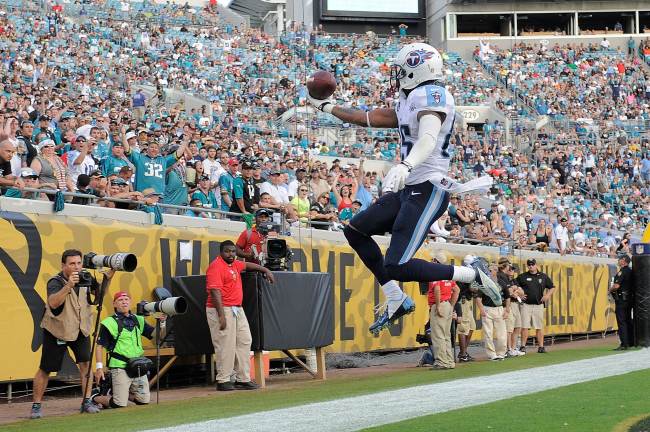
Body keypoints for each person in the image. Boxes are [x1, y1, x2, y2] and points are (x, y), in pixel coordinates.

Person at [308, 42, 496, 335]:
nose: (397, 76)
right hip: (411, 188)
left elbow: (428, 139)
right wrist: (328, 107)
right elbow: (369, 117)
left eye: (401, 70)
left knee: (397, 265)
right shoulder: (410, 97)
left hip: (429, 187)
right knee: (354, 230)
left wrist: (405, 165)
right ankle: (395, 297)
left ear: (416, 69)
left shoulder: (433, 94)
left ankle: (471, 274)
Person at [31, 249, 115, 419]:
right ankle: (36, 406)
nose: (76, 267)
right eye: (72, 264)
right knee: (45, 369)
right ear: (63, 265)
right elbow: (53, 303)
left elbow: (99, 296)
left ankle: (86, 402)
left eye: (79, 263)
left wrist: (109, 278)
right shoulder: (55, 281)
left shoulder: (86, 277)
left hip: (80, 329)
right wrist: (69, 285)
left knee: (85, 365)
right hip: (57, 331)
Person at [205, 241, 275, 391]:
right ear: (221, 252)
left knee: (245, 340)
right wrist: (221, 316)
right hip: (221, 309)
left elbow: (248, 266)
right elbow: (215, 292)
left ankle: (242, 378)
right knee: (226, 344)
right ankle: (223, 380)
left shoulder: (235, 264)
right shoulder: (216, 266)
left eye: (233, 251)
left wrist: (265, 270)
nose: (231, 254)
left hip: (237, 308)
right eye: (227, 252)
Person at [92, 291, 160, 409]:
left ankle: (117, 391)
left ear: (130, 302)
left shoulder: (139, 320)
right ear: (114, 304)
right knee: (119, 404)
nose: (124, 302)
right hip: (120, 366)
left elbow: (157, 335)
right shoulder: (109, 323)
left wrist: (162, 323)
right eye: (120, 300)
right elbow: (99, 346)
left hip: (138, 366)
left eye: (126, 299)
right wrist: (99, 368)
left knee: (143, 400)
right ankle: (94, 397)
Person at [516, 258, 555, 354]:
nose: (531, 266)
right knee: (525, 326)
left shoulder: (543, 276)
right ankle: (523, 346)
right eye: (529, 264)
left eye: (532, 264)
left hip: (538, 305)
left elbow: (552, 287)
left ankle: (541, 346)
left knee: (539, 326)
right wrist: (519, 294)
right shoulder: (522, 276)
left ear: (536, 265)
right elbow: (514, 285)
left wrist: (547, 295)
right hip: (526, 305)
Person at [427, 253, 459, 369]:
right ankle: (449, 361)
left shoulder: (434, 273)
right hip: (447, 305)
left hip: (439, 304)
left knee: (438, 335)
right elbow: (457, 290)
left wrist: (439, 305)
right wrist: (451, 305)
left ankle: (441, 362)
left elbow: (436, 289)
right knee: (446, 335)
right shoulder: (447, 274)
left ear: (436, 261)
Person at [476, 264, 509, 360]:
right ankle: (492, 354)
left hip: (499, 309)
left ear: (496, 271)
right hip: (487, 308)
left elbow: (507, 297)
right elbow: (478, 298)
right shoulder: (483, 283)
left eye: (491, 270)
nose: (489, 272)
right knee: (488, 333)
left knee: (502, 334)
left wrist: (507, 310)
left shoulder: (502, 283)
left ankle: (501, 353)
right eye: (488, 270)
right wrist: (481, 309)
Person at [496, 258, 525, 357]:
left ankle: (513, 348)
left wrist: (515, 290)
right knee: (509, 328)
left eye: (513, 269)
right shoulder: (502, 277)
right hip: (508, 304)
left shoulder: (513, 280)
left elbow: (522, 293)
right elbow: (509, 293)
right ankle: (508, 349)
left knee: (517, 326)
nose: (512, 270)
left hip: (515, 304)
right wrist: (514, 291)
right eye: (510, 268)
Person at [608, 255, 635, 350]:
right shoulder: (631, 271)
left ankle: (624, 343)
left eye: (619, 259)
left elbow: (616, 286)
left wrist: (609, 290)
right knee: (628, 320)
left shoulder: (622, 272)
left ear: (623, 261)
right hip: (629, 300)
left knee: (621, 321)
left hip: (621, 300)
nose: (618, 261)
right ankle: (631, 341)